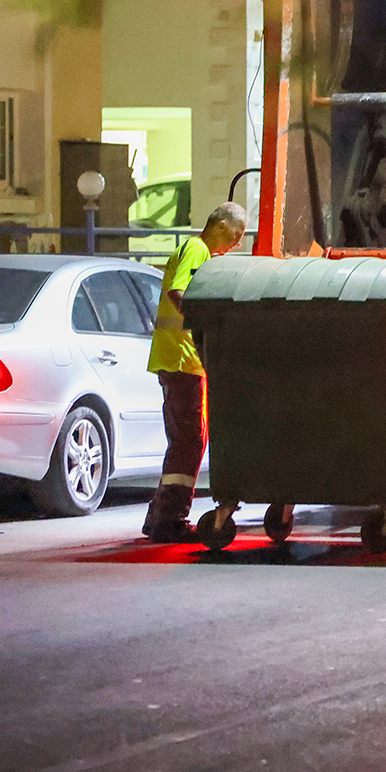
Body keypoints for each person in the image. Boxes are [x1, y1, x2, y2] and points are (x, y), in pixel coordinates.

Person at [142, 202, 248, 542]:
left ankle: (159, 515)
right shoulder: (196, 249)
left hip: (181, 359)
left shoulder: (201, 252)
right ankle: (169, 519)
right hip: (181, 358)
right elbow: (178, 291)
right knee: (189, 439)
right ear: (220, 225)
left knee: (185, 438)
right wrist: (205, 325)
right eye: (237, 234)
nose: (237, 242)